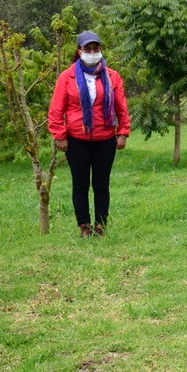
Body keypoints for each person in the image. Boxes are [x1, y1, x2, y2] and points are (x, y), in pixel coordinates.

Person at [48, 31, 130, 238]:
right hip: (77, 140)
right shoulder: (67, 77)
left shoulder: (112, 76)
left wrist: (123, 133)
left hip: (105, 139)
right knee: (80, 183)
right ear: (79, 51)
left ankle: (101, 225)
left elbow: (122, 108)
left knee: (102, 184)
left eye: (96, 49)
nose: (92, 53)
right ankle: (84, 226)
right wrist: (59, 135)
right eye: (88, 49)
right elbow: (56, 110)